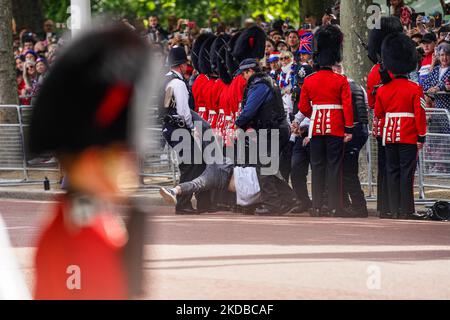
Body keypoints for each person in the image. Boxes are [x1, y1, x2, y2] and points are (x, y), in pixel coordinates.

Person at [29, 25, 150, 299]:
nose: (128, 163)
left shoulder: (87, 224)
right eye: (119, 154)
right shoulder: (84, 240)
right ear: (90, 160)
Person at [299, 25, 354, 217]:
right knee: (334, 168)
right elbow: (347, 106)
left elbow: (303, 107)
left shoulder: (309, 80)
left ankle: (316, 206)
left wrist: (314, 114)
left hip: (316, 127)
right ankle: (334, 206)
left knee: (317, 167)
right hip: (336, 128)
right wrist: (348, 128)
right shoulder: (340, 80)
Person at [375, 32, 426, 219]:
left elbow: (379, 114)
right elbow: (419, 114)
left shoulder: (382, 89)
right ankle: (407, 209)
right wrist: (421, 135)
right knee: (407, 173)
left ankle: (393, 209)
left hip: (389, 134)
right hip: (408, 134)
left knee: (392, 171)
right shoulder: (414, 88)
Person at [160, 46, 211, 214]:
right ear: (182, 65)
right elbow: (184, 112)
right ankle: (183, 204)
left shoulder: (165, 80)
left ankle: (188, 201)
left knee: (191, 164)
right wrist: (191, 128)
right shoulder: (178, 83)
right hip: (179, 128)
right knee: (192, 164)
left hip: (169, 127)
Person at [366, 16, 403, 218]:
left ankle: (385, 206)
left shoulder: (374, 71)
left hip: (383, 126)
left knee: (385, 166)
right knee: (398, 166)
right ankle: (397, 205)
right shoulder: (397, 71)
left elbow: (373, 104)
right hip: (399, 125)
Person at [333, 63, 369, 217]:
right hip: (360, 130)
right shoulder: (358, 86)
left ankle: (359, 207)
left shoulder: (342, 86)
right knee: (346, 169)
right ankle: (349, 204)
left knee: (347, 171)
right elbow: (366, 106)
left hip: (350, 131)